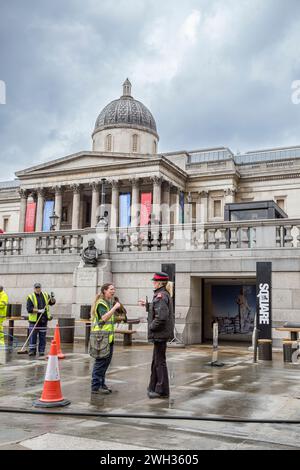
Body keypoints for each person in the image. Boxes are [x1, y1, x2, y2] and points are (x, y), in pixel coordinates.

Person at [139, 272, 174, 399]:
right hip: (160, 334)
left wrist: (151, 327)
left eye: (154, 281)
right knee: (156, 362)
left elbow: (161, 317)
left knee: (159, 362)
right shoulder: (162, 294)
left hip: (160, 334)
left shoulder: (160, 295)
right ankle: (154, 387)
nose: (153, 283)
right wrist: (148, 305)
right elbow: (158, 310)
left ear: (159, 283)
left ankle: (162, 390)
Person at [91, 283, 120, 395]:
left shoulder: (108, 302)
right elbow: (103, 318)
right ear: (104, 291)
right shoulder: (101, 303)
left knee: (106, 363)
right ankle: (95, 387)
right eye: (111, 289)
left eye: (114, 289)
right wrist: (114, 308)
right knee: (100, 363)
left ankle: (101, 384)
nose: (113, 291)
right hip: (100, 337)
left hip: (108, 337)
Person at [26, 283, 56, 357]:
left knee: (42, 336)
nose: (37, 289)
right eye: (36, 288)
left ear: (40, 288)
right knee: (33, 336)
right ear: (34, 288)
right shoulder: (31, 297)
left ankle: (41, 351)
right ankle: (32, 351)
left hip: (43, 320)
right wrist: (39, 311)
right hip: (34, 321)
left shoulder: (45, 295)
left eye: (39, 287)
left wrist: (52, 298)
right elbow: (29, 309)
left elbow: (51, 303)